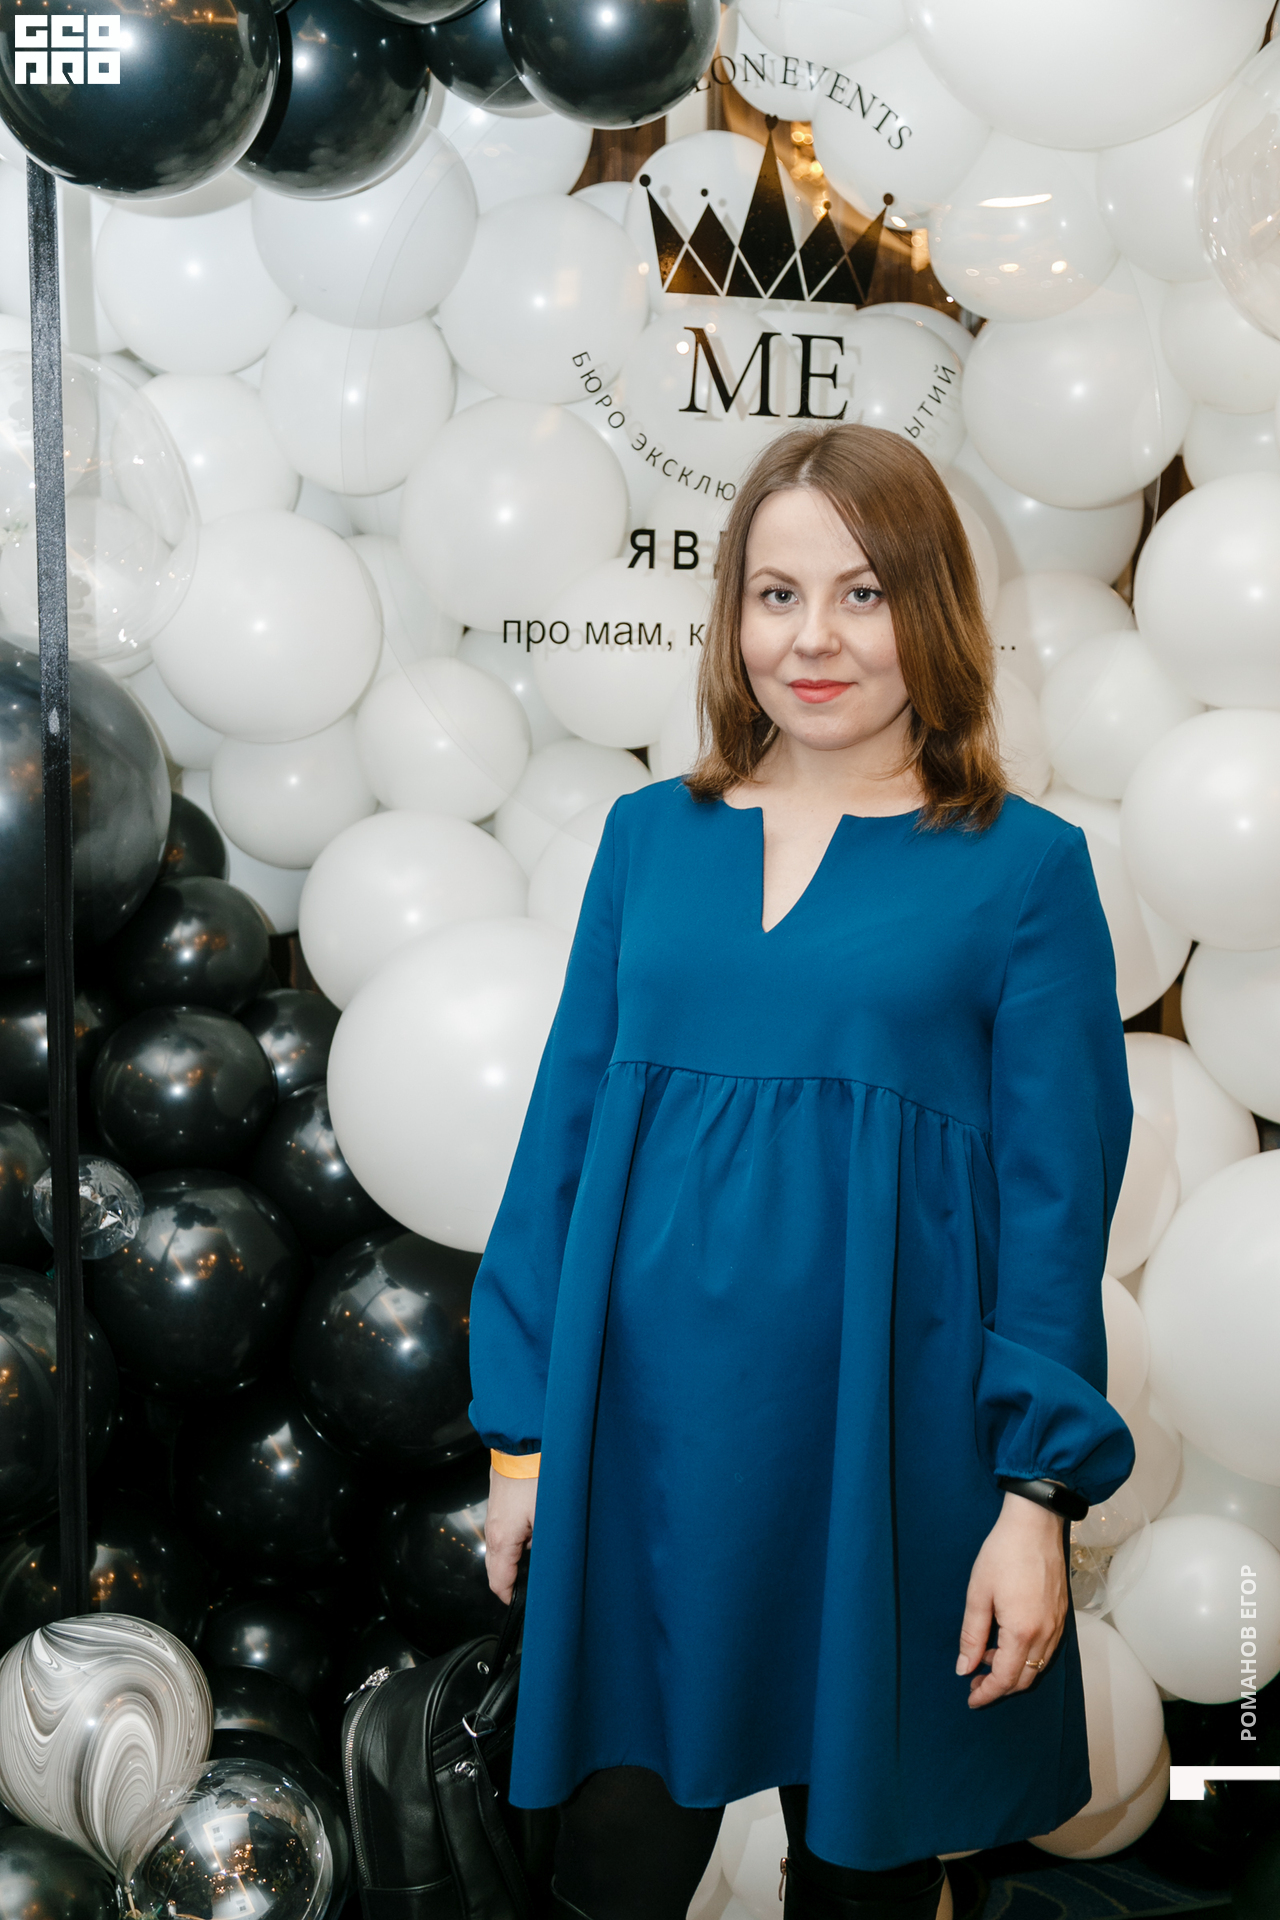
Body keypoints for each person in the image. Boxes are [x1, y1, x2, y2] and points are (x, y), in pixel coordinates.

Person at [468, 423, 1136, 1920]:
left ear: (931, 609)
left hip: (893, 1462)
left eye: (861, 593)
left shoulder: (1025, 870)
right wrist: (520, 1442)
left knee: (862, 1879)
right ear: (734, 617)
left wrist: (1035, 1501)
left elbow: (1056, 1208)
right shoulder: (648, 840)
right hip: (642, 1455)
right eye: (777, 596)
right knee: (611, 1864)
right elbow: (559, 1147)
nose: (813, 639)